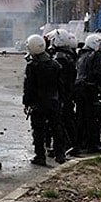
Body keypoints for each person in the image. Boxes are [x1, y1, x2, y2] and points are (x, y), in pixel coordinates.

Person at [22, 34, 65, 166]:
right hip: (53, 102)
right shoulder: (55, 64)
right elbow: (61, 85)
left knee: (38, 130)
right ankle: (60, 154)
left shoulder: (32, 66)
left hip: (38, 104)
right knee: (56, 128)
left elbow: (29, 88)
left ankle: (40, 156)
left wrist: (26, 103)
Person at [45, 29, 77, 152]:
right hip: (67, 93)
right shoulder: (68, 55)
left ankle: (66, 145)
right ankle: (72, 144)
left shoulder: (60, 58)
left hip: (62, 94)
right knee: (68, 118)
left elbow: (59, 80)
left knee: (62, 121)